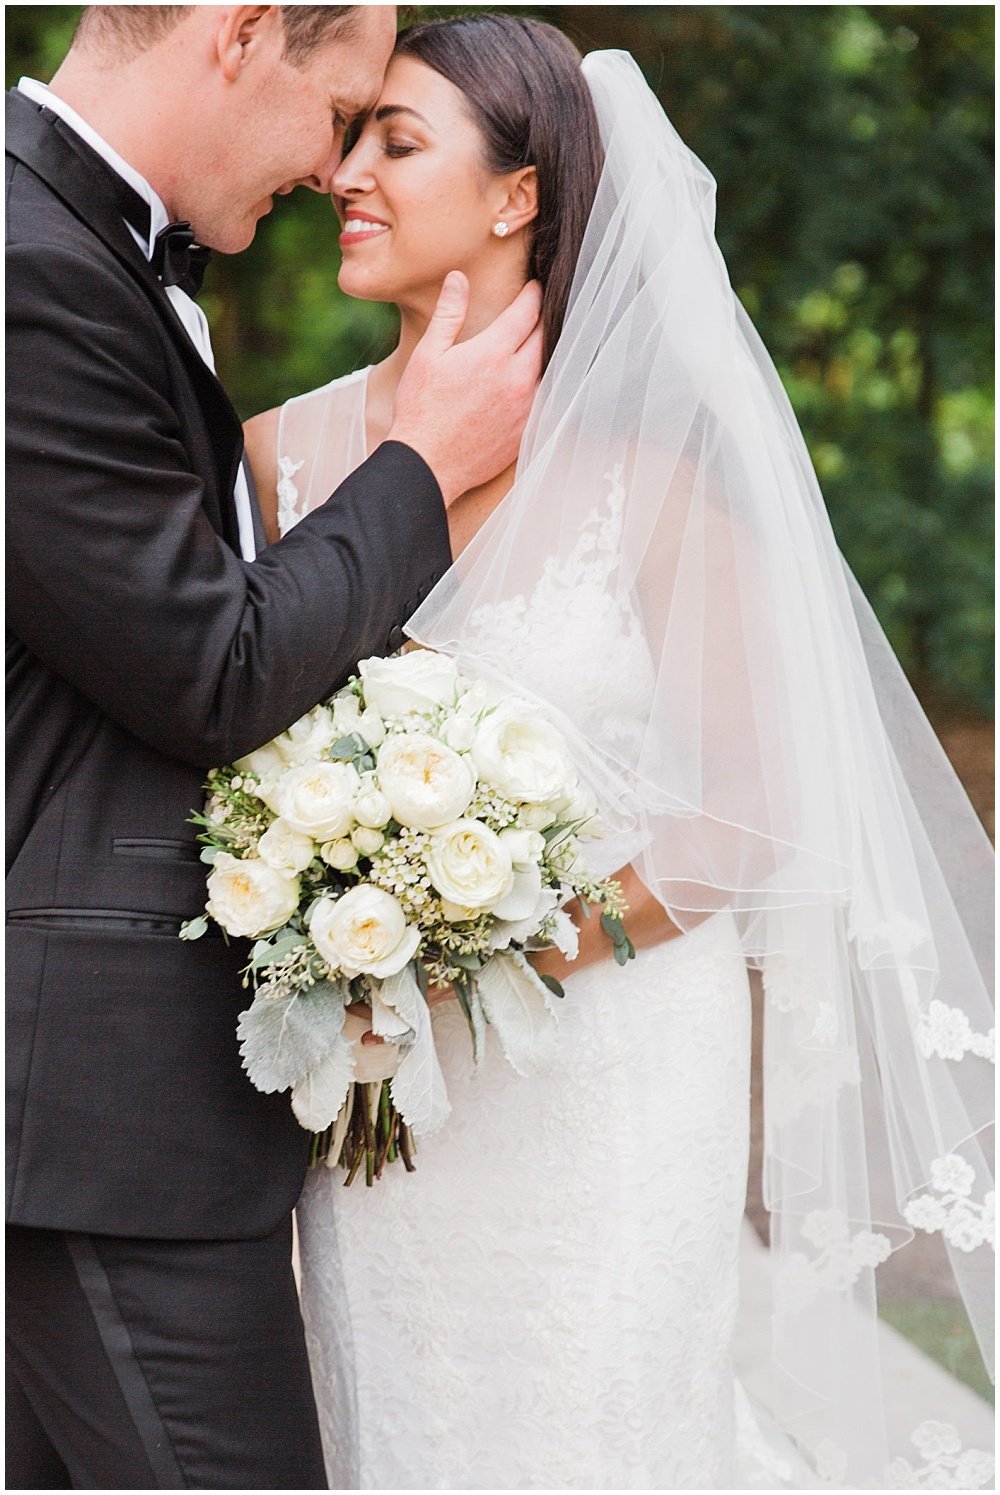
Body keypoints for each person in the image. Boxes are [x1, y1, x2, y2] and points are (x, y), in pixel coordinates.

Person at [248, 14, 995, 1490]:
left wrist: (483, 959)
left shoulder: (656, 479)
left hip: (611, 1074)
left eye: (400, 142)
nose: (349, 172)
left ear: (518, 195)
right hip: (374, 1089)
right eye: (354, 137)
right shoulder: (271, 459)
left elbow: (757, 822)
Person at [5, 5, 544, 1489]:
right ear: (245, 34)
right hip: (102, 1122)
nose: (331, 170)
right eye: (340, 111)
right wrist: (426, 463)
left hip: (113, 1120)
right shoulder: (26, 268)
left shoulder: (79, 248)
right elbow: (213, 667)